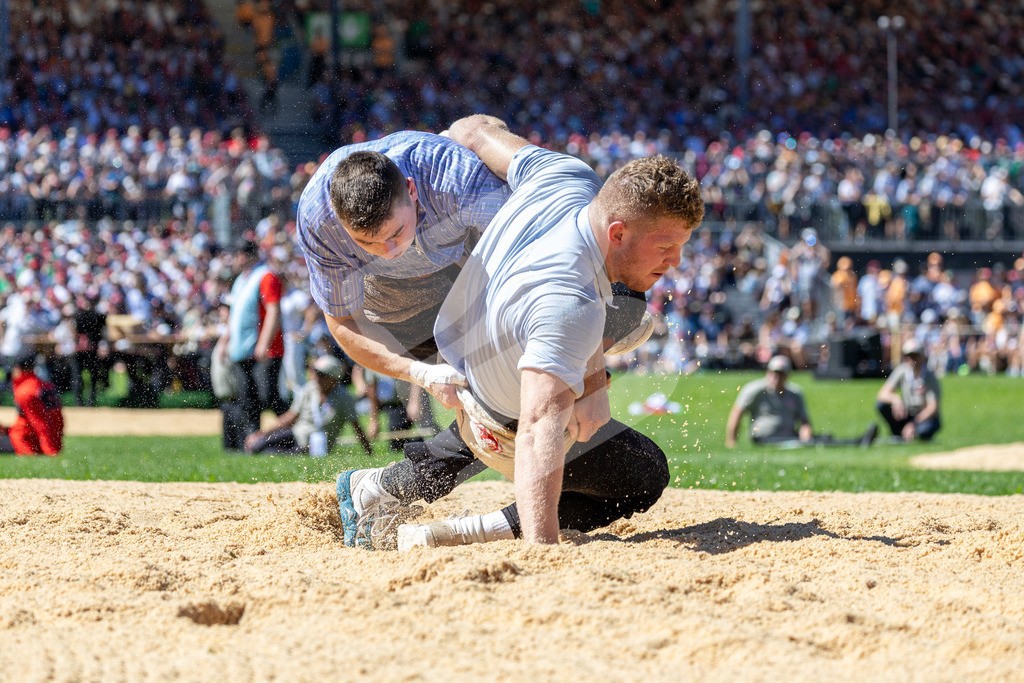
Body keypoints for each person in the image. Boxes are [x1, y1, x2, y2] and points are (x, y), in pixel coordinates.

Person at [334, 114, 702, 550]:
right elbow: (536, 431)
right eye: (665, 247)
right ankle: (458, 533)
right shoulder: (571, 303)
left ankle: (385, 487)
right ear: (618, 232)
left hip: (468, 343)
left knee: (626, 304)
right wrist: (541, 548)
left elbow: (471, 131)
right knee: (643, 473)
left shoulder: (565, 175)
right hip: (493, 418)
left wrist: (592, 377)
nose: (675, 261)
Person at [296, 129, 512, 416]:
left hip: (465, 254)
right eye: (366, 241)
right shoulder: (318, 220)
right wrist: (417, 373)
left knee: (501, 365)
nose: (388, 251)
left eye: (395, 233)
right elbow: (343, 322)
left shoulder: (455, 178)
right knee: (462, 377)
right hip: (389, 296)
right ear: (338, 220)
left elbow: (526, 260)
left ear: (411, 190)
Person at [725, 355, 878, 448]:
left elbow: (804, 420)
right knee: (818, 444)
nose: (776, 378)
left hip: (791, 435)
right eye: (773, 373)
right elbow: (736, 414)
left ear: (787, 375)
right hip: (765, 437)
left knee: (823, 439)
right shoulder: (754, 390)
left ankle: (857, 441)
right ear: (768, 372)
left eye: (780, 374)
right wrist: (731, 442)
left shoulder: (795, 392)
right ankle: (858, 442)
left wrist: (806, 432)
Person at [220, 239, 288, 443]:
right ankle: (251, 441)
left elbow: (273, 311)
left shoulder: (266, 276)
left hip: (264, 350)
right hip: (242, 349)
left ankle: (291, 435)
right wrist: (226, 341)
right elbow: (235, 316)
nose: (237, 257)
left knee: (269, 396)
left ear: (251, 254)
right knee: (247, 399)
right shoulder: (241, 280)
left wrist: (263, 344)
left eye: (241, 253)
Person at [244, 355, 372, 456]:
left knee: (268, 453)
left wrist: (368, 451)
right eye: (314, 372)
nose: (315, 377)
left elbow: (356, 426)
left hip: (313, 446)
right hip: (296, 434)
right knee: (257, 445)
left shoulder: (344, 398)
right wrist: (261, 433)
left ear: (333, 378)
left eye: (321, 374)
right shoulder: (309, 389)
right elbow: (290, 417)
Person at [876, 340, 941, 442]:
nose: (912, 360)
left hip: (923, 416)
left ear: (922, 357)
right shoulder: (902, 371)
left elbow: (933, 408)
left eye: (915, 356)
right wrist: (896, 399)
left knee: (924, 430)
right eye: (909, 356)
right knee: (882, 405)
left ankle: (914, 433)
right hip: (907, 413)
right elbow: (882, 394)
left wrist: (914, 423)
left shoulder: (929, 377)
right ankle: (898, 432)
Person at [0, 354, 64, 456]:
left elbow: (41, 424)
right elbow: (56, 420)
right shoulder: (45, 385)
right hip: (40, 439)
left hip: (27, 442)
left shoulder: (25, 391)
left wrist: (51, 451)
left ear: (17, 369)